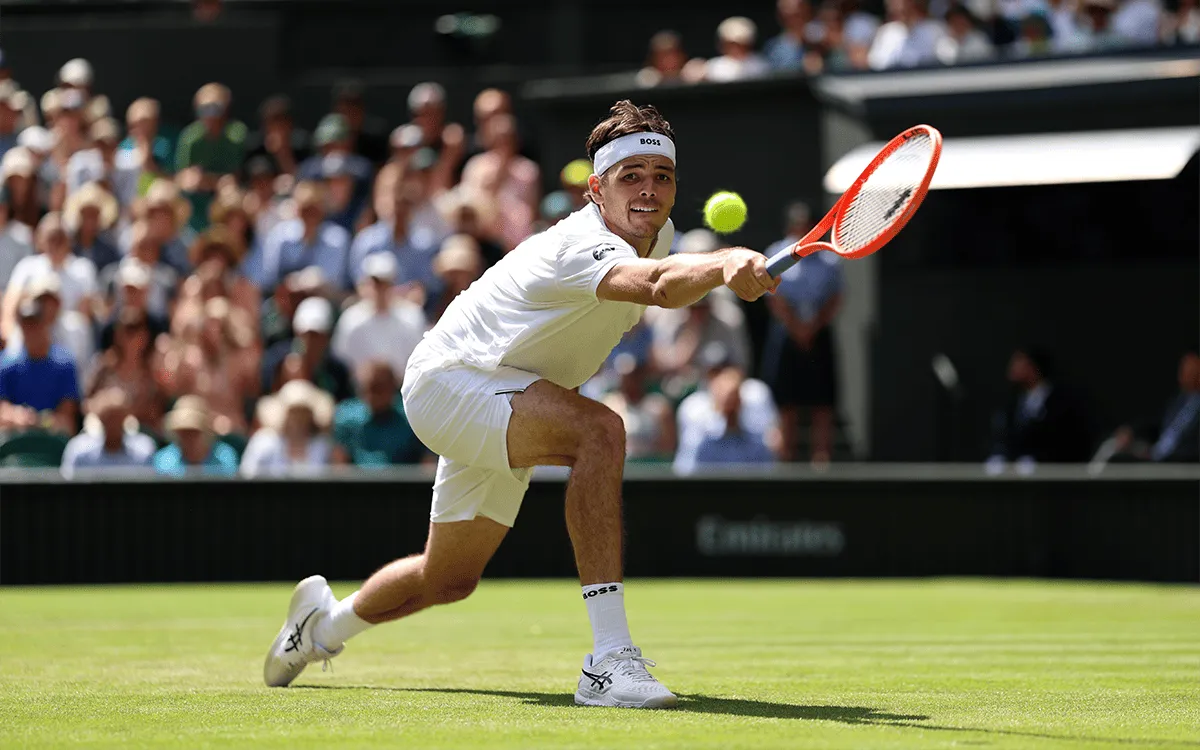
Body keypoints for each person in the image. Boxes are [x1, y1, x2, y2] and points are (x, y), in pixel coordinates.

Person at [262, 100, 779, 709]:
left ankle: (319, 628)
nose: (648, 190)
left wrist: (722, 267)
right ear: (596, 189)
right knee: (600, 432)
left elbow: (667, 272)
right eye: (629, 176)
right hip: (450, 382)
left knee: (446, 579)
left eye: (660, 177)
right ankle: (609, 661)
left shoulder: (655, 235)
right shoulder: (579, 244)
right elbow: (661, 287)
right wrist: (726, 262)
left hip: (508, 391)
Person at [760, 202, 843, 464]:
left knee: (823, 404)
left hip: (818, 334)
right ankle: (785, 463)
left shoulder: (830, 259)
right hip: (787, 334)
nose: (802, 229)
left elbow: (835, 297)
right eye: (797, 224)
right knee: (786, 404)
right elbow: (773, 296)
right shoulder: (775, 252)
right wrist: (796, 327)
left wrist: (813, 327)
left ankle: (822, 465)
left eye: (806, 224)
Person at [986, 347, 1093, 473]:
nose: (1012, 367)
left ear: (1033, 367)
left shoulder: (1063, 403)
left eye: (1019, 361)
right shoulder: (1011, 405)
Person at [331, 252, 426, 381]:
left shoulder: (412, 318)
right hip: (360, 394)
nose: (380, 289)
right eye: (376, 283)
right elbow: (342, 358)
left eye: (385, 283)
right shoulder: (351, 319)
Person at [0, 296, 79, 435]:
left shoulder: (64, 363)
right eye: (26, 325)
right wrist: (17, 416)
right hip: (15, 438)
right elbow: (2, 409)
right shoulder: (7, 363)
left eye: (35, 324)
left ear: (45, 324)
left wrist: (41, 421)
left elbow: (67, 415)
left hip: (52, 439)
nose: (31, 331)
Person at [331, 359, 423, 467]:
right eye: (369, 388)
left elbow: (426, 465)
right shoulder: (345, 418)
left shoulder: (412, 420)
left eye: (380, 387)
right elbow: (340, 465)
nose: (373, 395)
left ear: (393, 387)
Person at [240, 378, 334, 477]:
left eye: (303, 412)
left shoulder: (322, 445)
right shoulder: (264, 443)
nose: (298, 418)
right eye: (293, 412)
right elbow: (247, 477)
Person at [60, 386, 156, 478]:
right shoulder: (79, 450)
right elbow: (68, 487)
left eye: (118, 417)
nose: (113, 423)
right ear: (100, 419)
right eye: (108, 418)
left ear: (125, 418)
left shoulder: (144, 450)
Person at [151, 395, 239, 477]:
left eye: (194, 431)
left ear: (205, 432)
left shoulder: (225, 457)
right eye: (183, 431)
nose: (188, 437)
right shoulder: (163, 461)